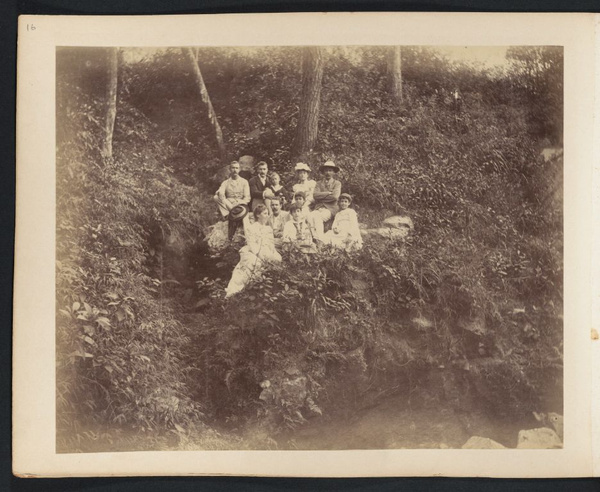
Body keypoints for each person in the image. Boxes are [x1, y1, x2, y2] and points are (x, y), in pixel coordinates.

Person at [225, 204, 282, 298]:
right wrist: (260, 255)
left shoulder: (268, 229)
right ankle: (241, 290)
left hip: (266, 250)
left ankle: (267, 289)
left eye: (267, 213)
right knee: (254, 263)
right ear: (258, 215)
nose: (267, 215)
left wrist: (272, 252)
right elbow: (252, 245)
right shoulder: (251, 228)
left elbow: (271, 244)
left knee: (278, 259)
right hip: (253, 251)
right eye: (265, 213)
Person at [213, 160, 251, 239]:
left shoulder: (244, 182)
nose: (235, 170)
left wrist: (238, 203)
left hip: (241, 205)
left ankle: (249, 237)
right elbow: (220, 191)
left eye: (237, 168)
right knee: (216, 197)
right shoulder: (225, 182)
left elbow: (247, 197)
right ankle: (227, 214)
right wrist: (220, 192)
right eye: (233, 168)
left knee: (245, 219)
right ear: (230, 169)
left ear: (239, 169)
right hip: (229, 204)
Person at [308, 160, 342, 242]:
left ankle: (320, 239)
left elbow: (334, 197)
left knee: (317, 217)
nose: (328, 172)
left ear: (333, 172)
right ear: (323, 172)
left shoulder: (337, 183)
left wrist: (321, 196)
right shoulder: (319, 183)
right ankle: (315, 237)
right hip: (318, 207)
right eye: (326, 170)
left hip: (330, 209)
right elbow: (315, 195)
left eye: (330, 170)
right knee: (309, 216)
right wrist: (327, 193)